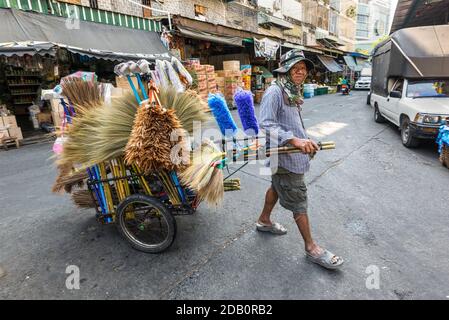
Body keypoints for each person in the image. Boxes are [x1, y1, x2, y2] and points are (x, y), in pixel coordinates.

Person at [256, 49, 344, 270]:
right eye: (295, 67)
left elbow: (291, 124)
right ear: (285, 69)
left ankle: (264, 220)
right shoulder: (275, 92)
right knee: (299, 200)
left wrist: (304, 139)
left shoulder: (291, 91)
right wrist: (294, 141)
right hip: (285, 158)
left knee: (276, 187)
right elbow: (266, 124)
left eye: (303, 68)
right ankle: (311, 247)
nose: (300, 71)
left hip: (289, 156)